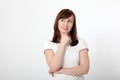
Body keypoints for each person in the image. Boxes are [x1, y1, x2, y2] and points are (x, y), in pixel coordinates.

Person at [43, 9, 89, 80]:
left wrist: (61, 71)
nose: (65, 24)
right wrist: (63, 43)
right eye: (62, 20)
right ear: (57, 22)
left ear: (73, 24)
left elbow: (85, 69)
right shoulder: (49, 43)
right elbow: (54, 67)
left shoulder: (81, 42)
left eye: (69, 21)